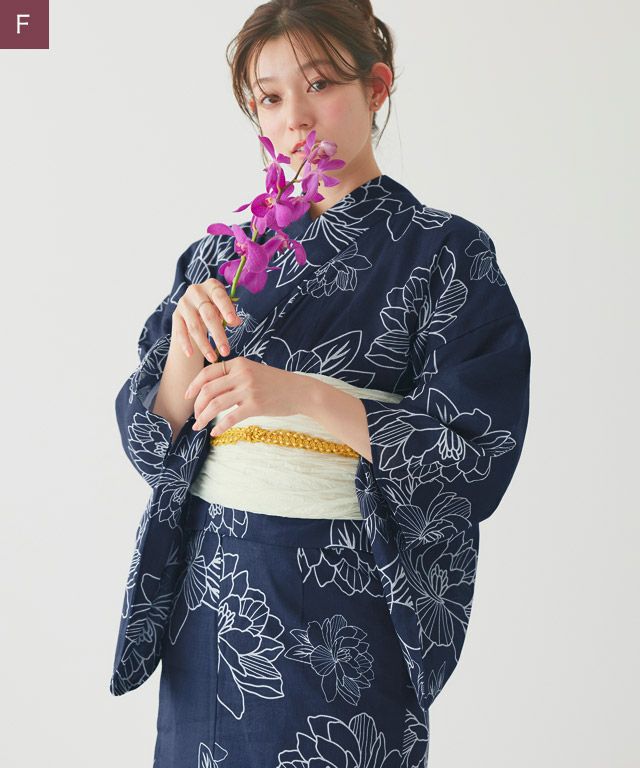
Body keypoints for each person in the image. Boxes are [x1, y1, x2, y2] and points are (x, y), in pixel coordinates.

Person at [109, 2, 531, 766]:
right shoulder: (218, 261)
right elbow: (150, 447)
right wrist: (181, 351)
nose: (295, 118)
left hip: (344, 601)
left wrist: (303, 397)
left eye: (320, 84)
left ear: (376, 86)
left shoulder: (447, 255)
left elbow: (477, 457)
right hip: (213, 600)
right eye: (270, 98)